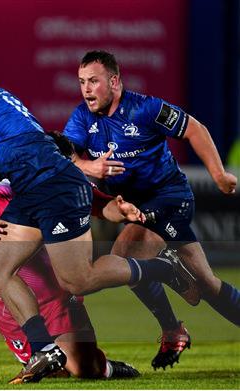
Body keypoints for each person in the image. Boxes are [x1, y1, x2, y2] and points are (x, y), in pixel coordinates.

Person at [0, 49, 198, 382]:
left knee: (78, 279)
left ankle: (161, 267)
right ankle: (44, 350)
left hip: (51, 183)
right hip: (31, 183)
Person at [62, 50, 239, 368]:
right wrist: (90, 166)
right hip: (134, 206)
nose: (86, 89)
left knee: (125, 252)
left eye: (94, 81)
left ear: (114, 81)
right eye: (81, 82)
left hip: (170, 197)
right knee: (208, 284)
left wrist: (218, 175)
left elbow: (194, 130)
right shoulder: (81, 117)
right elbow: (69, 156)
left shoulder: (146, 109)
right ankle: (174, 309)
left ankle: (172, 325)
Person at [0, 134, 142, 383]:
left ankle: (106, 367)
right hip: (13, 305)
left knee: (85, 369)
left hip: (58, 297)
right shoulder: (12, 186)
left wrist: (123, 210)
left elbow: (104, 206)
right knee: (56, 369)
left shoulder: (72, 188)